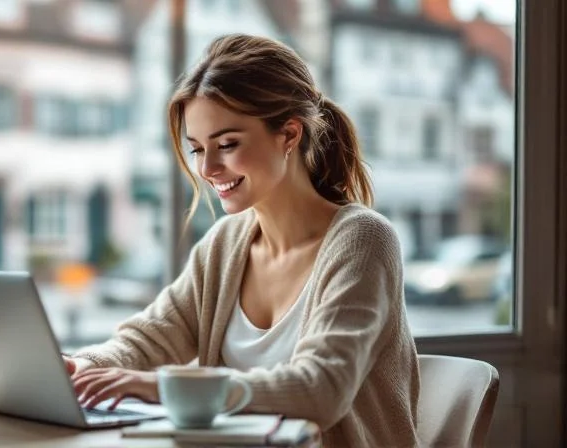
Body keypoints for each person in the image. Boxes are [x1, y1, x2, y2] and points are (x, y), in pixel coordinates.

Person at [67, 33, 419, 447]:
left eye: (228, 144)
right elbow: (149, 339)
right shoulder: (225, 244)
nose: (208, 168)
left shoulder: (363, 241)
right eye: (197, 149)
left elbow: (321, 389)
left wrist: (162, 387)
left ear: (289, 135)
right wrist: (80, 366)